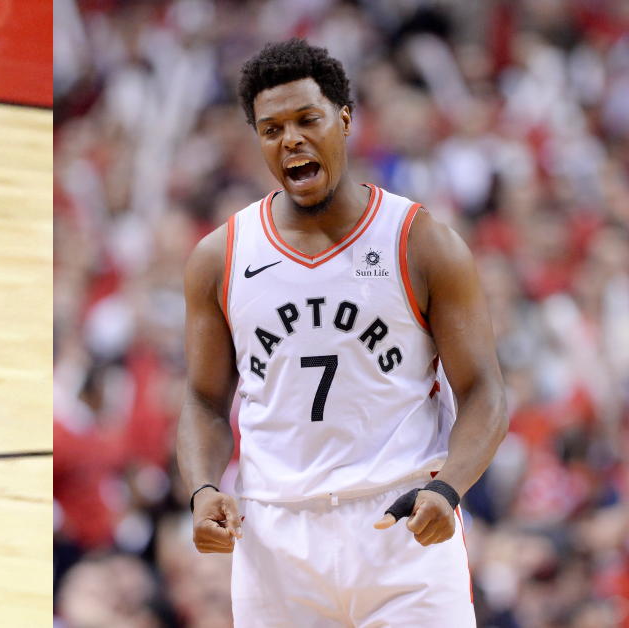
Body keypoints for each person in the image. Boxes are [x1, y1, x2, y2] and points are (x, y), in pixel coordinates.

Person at [176, 38, 508, 627]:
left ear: (345, 120)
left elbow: (484, 391)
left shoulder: (420, 242)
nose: (291, 140)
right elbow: (203, 401)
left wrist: (450, 488)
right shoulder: (219, 257)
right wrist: (203, 490)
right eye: (271, 129)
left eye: (308, 119)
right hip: (274, 536)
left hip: (404, 521)